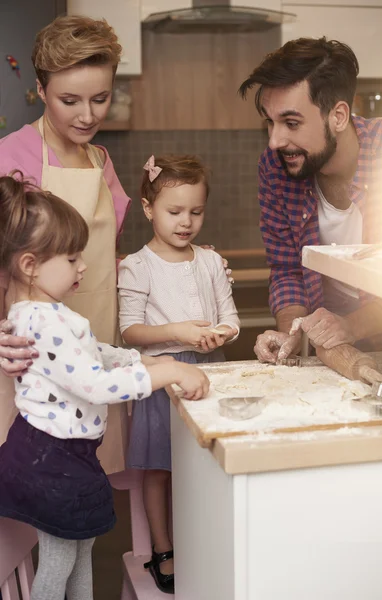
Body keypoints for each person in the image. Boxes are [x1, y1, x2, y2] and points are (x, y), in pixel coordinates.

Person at [0, 174, 209, 600]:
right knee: (60, 560)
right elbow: (95, 383)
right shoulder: (43, 321)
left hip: (64, 457)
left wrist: (143, 360)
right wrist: (168, 373)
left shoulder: (43, 313)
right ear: (29, 265)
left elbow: (92, 353)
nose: (84, 267)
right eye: (72, 258)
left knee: (80, 550)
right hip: (51, 462)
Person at [0, 15, 132, 472]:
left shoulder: (101, 159)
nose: (88, 115)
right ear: (40, 90)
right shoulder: (10, 156)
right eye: (69, 100)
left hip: (91, 342)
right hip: (27, 358)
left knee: (79, 485)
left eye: (100, 98)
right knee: (23, 494)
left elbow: (103, 253)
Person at [238, 36, 382, 364]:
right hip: (331, 349)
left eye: (291, 123)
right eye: (269, 122)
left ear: (339, 116)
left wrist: (350, 325)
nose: (275, 141)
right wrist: (291, 334)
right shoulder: (275, 167)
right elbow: (287, 269)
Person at [118, 154, 240, 594]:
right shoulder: (137, 265)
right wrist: (178, 333)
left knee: (205, 464)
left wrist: (218, 336)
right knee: (160, 468)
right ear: (149, 208)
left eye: (196, 211)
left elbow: (230, 318)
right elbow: (129, 331)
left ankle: (203, 541)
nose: (186, 222)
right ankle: (163, 549)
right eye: (174, 212)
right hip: (160, 378)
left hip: (210, 374)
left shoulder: (209, 261)